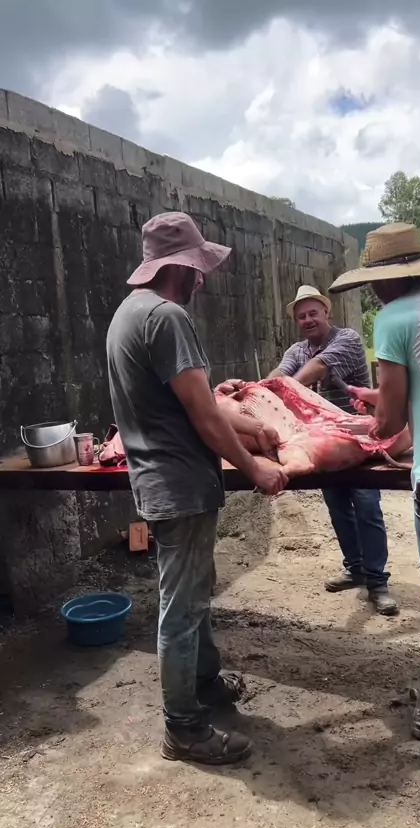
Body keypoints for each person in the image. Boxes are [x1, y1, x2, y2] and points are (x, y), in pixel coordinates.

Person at [106, 212, 287, 766]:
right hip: (180, 483)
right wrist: (254, 468)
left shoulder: (127, 314)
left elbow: (199, 403)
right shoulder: (167, 317)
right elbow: (204, 415)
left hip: (161, 480)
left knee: (193, 595)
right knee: (182, 608)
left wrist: (251, 429)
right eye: (197, 267)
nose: (202, 279)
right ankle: (183, 728)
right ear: (181, 268)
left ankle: (204, 683)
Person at [329, 221, 420, 778]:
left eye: (373, 282)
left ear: (388, 279)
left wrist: (373, 417)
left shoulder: (395, 318)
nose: (373, 292)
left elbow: (390, 424)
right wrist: (391, 398)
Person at [268, 284, 397, 616]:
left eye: (313, 313)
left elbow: (317, 368)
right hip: (322, 440)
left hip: (358, 436)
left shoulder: (347, 339)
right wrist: (259, 389)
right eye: (302, 316)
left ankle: (377, 583)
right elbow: (279, 374)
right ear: (297, 321)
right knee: (338, 506)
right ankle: (355, 570)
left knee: (366, 506)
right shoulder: (297, 350)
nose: (308, 320)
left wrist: (283, 388)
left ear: (327, 312)